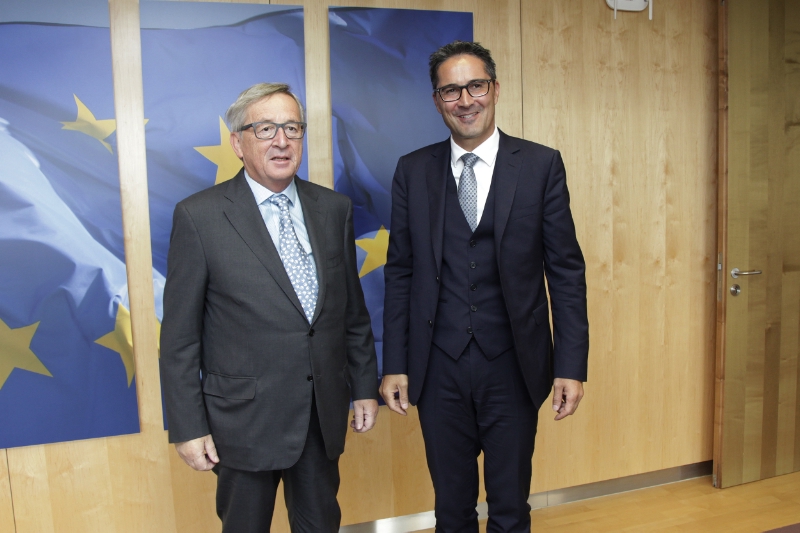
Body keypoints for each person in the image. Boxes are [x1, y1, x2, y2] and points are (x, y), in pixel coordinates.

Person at [380, 41, 589, 532]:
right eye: (450, 91)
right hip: (438, 367)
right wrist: (395, 364)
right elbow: (400, 271)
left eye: (475, 86)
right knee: (451, 509)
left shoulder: (540, 165)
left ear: (494, 89)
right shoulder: (412, 170)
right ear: (437, 101)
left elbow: (565, 271)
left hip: (514, 365)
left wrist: (570, 366)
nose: (465, 100)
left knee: (510, 507)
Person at [160, 82, 379, 533]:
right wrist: (187, 427)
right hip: (242, 423)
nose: (282, 141)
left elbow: (351, 315)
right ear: (238, 143)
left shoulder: (333, 209)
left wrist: (363, 388)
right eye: (265, 129)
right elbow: (180, 339)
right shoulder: (199, 216)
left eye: (292, 128)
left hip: (320, 415)